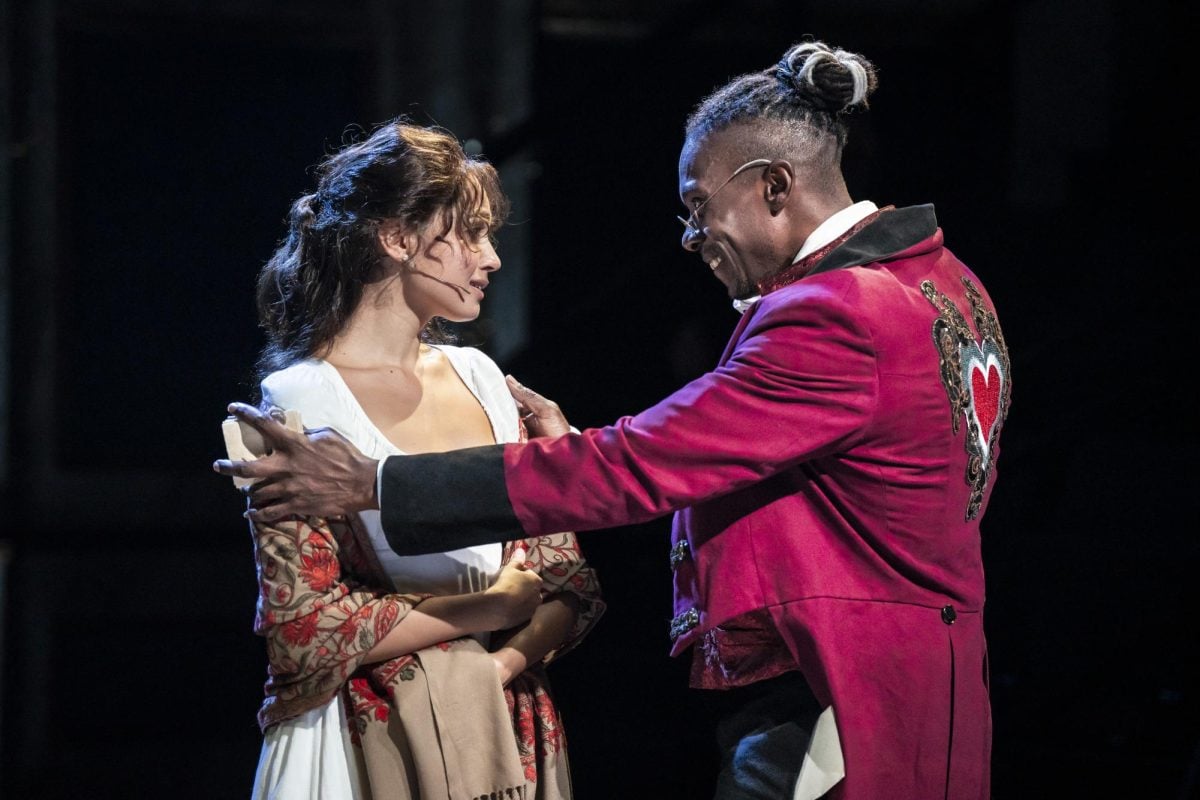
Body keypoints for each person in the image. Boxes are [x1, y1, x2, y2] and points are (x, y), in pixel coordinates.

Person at [217, 38, 1011, 800]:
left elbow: (642, 465)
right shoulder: (950, 283)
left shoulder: (835, 314)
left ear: (774, 187)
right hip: (925, 685)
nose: (694, 238)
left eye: (700, 207)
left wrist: (376, 482)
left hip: (840, 689)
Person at [229, 119, 605, 800]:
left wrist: (496, 670)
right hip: (359, 744)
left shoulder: (484, 379)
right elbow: (303, 633)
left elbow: (568, 585)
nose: (490, 259)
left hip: (498, 725)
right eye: (468, 235)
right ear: (398, 238)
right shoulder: (298, 402)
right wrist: (489, 609)